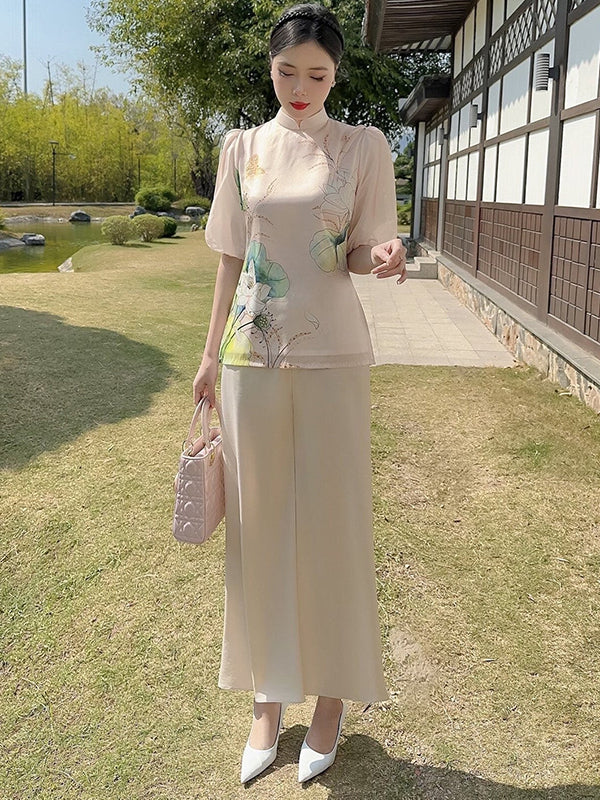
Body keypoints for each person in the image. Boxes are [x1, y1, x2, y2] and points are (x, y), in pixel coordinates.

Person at [193, 2, 407, 784]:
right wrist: (208, 355)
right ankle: (266, 699)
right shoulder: (242, 148)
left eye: (317, 74)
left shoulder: (362, 146)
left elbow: (355, 250)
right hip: (250, 359)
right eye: (288, 71)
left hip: (333, 359)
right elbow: (230, 257)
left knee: (333, 528)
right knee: (258, 532)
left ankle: (330, 701)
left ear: (336, 74)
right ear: (271, 68)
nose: (301, 87)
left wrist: (383, 253)